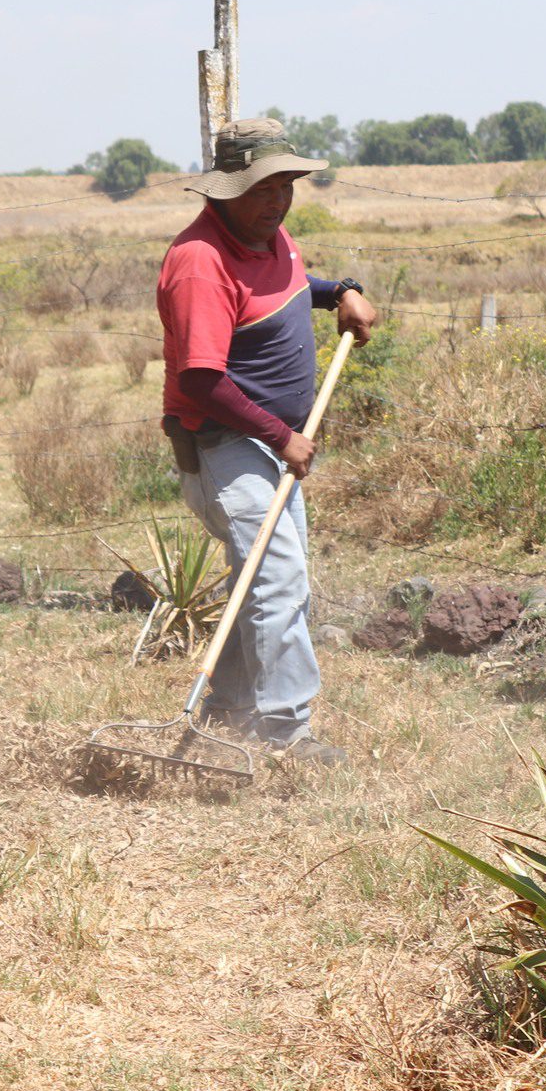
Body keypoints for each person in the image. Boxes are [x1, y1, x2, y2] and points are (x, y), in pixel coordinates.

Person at [156, 118, 378, 765]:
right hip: (227, 443)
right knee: (278, 578)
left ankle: (228, 709)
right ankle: (284, 732)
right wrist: (283, 437)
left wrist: (340, 291)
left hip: (265, 444)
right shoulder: (200, 261)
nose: (277, 199)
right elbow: (201, 379)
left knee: (264, 578)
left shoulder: (267, 238)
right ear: (226, 189)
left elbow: (281, 289)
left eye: (285, 184)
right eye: (263, 187)